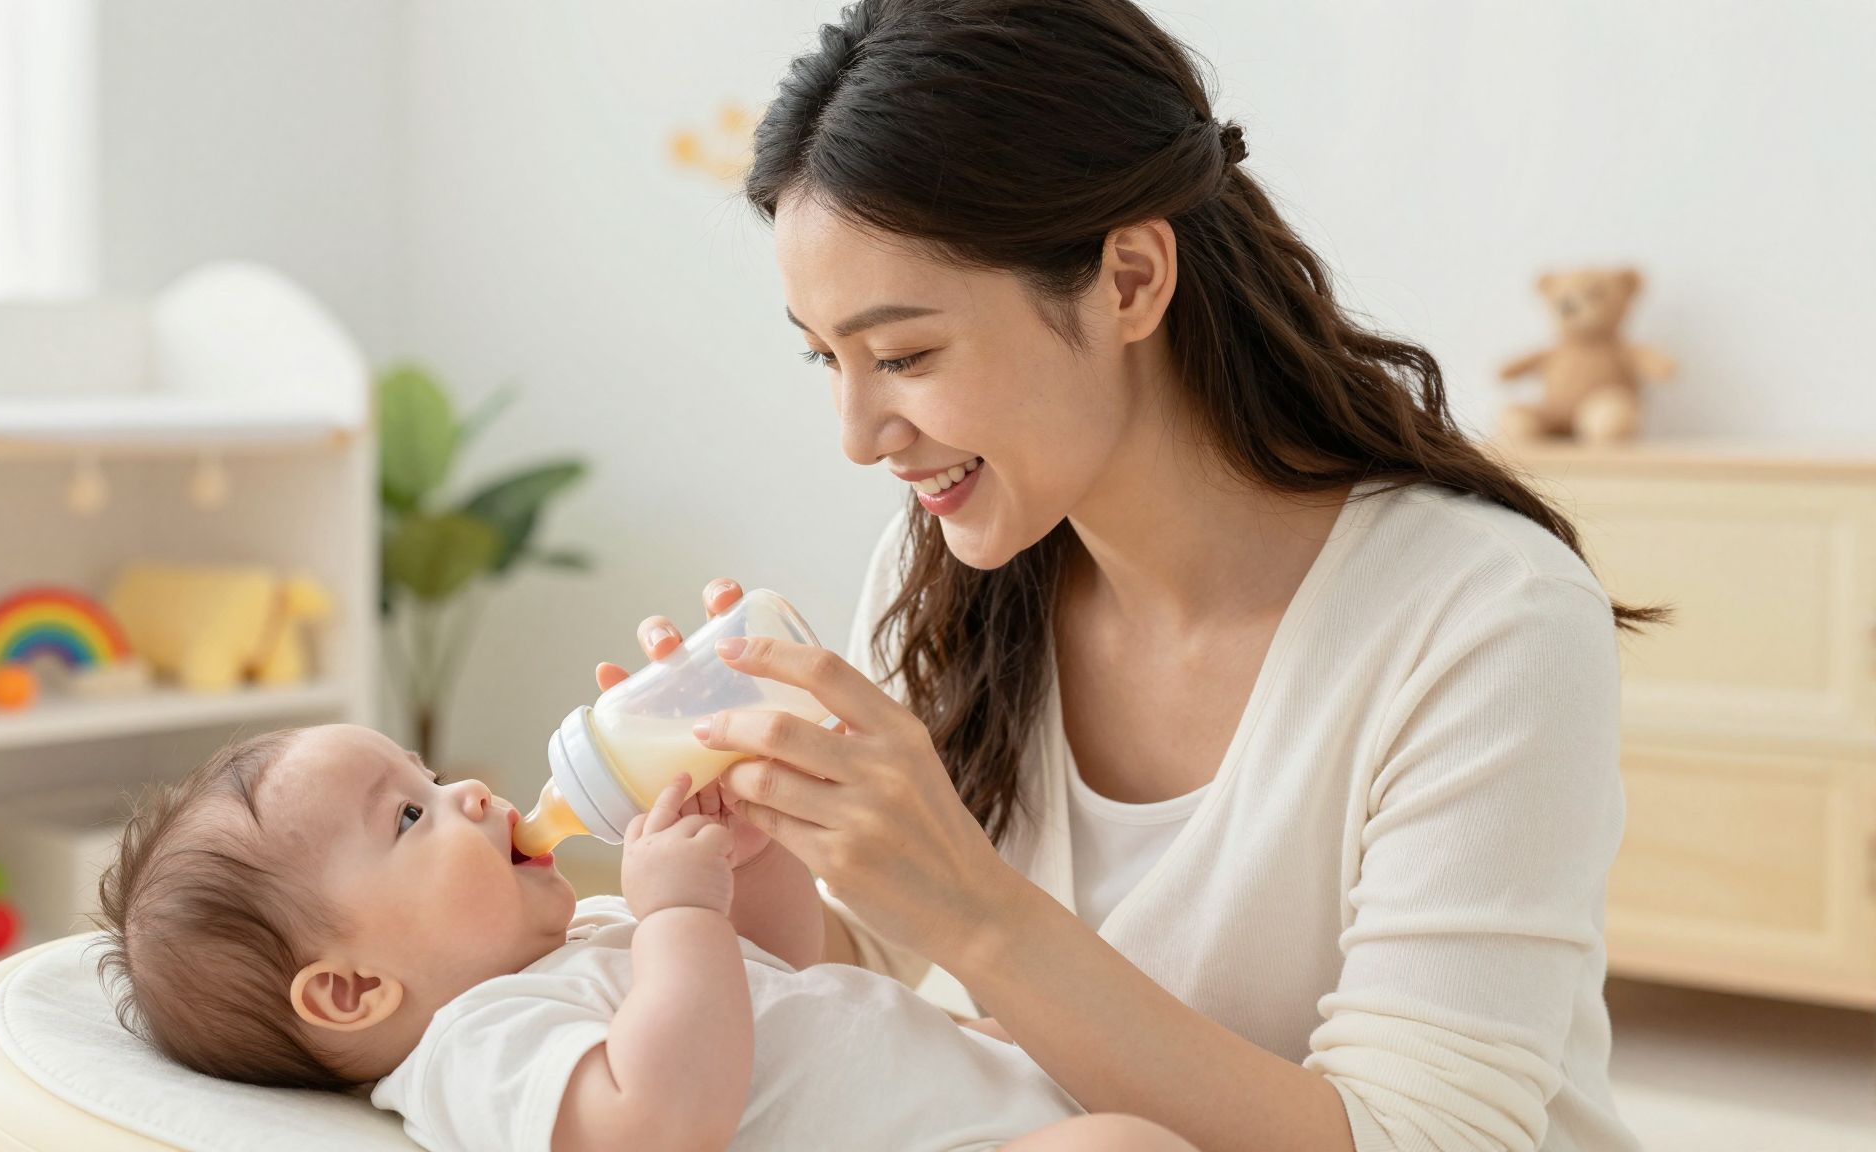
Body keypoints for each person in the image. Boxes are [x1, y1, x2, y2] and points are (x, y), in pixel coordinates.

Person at [599, 2, 1661, 1149]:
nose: (857, 435)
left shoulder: (1482, 621)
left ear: (1128, 279)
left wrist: (976, 909)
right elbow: (876, 981)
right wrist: (760, 868)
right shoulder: (947, 570)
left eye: (901, 356)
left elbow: (1420, 1138)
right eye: (828, 358)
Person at [95, 724, 1192, 1152]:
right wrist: (677, 915)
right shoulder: (475, 1046)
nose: (469, 790)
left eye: (431, 776)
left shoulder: (592, 940)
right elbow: (659, 1121)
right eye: (410, 816)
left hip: (958, 1104)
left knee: (1058, 1036)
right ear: (350, 993)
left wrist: (748, 875)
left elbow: (785, 988)